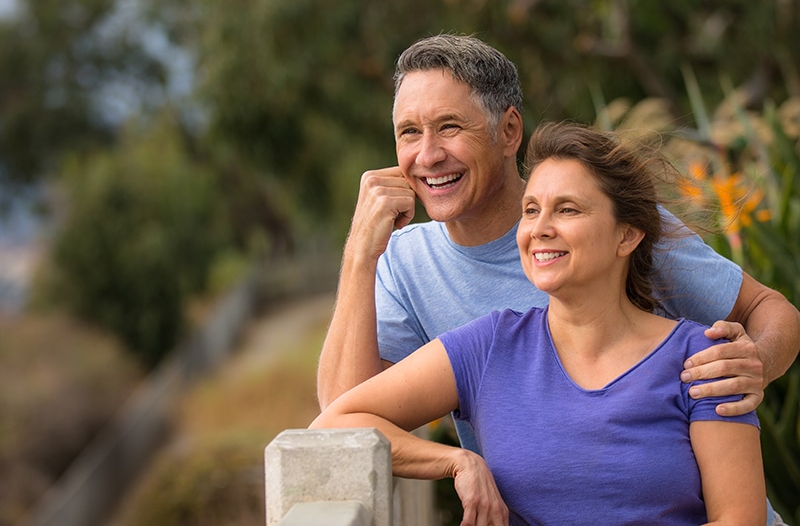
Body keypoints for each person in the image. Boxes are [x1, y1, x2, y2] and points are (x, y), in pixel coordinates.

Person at [315, 34, 799, 523]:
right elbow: (345, 420)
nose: (428, 154)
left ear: (508, 131)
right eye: (409, 133)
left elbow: (771, 311)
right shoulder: (430, 288)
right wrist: (360, 253)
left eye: (449, 127)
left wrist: (751, 364)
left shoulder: (616, 228)